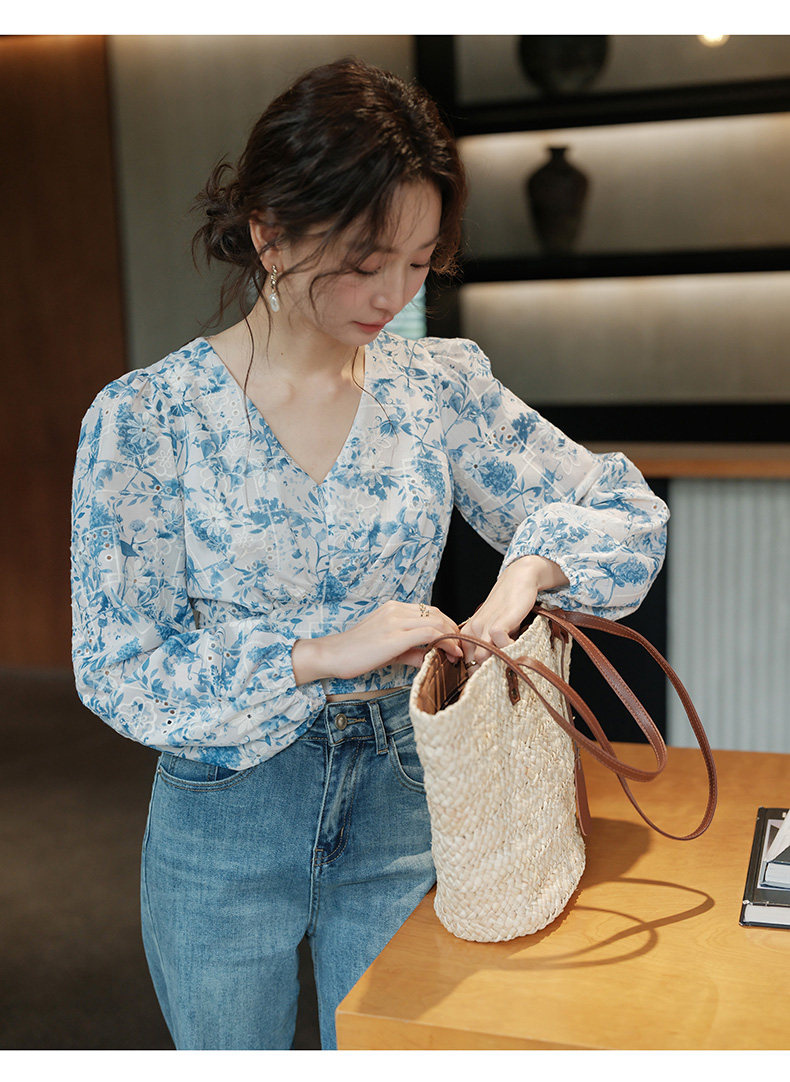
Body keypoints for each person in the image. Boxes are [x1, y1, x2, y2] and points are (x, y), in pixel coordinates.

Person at [70, 56, 669, 1051]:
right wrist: (314, 653)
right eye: (363, 260)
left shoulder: (436, 386)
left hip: (407, 785)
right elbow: (117, 661)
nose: (393, 292)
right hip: (227, 803)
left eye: (420, 260)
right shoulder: (148, 419)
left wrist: (524, 576)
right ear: (268, 230)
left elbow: (620, 506)